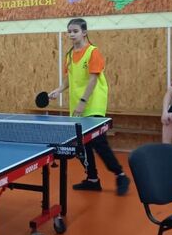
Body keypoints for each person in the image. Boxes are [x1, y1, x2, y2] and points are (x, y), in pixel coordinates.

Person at [48, 18, 131, 196]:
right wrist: (58, 90)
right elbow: (69, 79)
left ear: (84, 32)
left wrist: (83, 102)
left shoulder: (93, 52)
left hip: (93, 103)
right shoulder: (69, 55)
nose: (71, 34)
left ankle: (121, 175)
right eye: (69, 31)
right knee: (82, 144)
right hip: (77, 105)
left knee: (98, 141)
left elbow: (93, 79)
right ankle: (92, 179)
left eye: (75, 31)